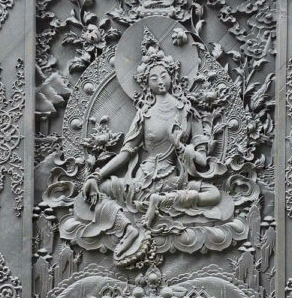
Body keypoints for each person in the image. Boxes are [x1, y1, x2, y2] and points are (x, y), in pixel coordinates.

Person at [60, 27, 244, 267]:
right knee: (97, 189)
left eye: (163, 75)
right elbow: (126, 153)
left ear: (173, 76)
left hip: (174, 179)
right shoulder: (144, 114)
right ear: (145, 83)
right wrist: (96, 175)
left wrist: (181, 146)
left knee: (215, 194)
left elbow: (201, 160)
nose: (160, 81)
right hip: (142, 179)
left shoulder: (187, 112)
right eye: (153, 78)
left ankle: (158, 203)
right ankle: (128, 228)